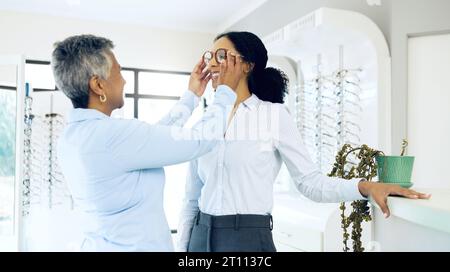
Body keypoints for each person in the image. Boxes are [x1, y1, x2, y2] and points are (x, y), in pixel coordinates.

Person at [177, 31, 431, 252]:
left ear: (247, 65)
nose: (212, 64)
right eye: (209, 57)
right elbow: (191, 198)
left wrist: (365, 187)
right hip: (200, 237)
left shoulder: (273, 116)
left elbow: (310, 182)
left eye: (222, 56)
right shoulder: (205, 122)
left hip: (247, 239)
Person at [52, 34, 243, 251]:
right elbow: (200, 140)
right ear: (98, 85)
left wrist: (191, 97)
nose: (123, 80)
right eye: (118, 71)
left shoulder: (72, 137)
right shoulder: (111, 136)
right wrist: (227, 91)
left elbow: (154, 138)